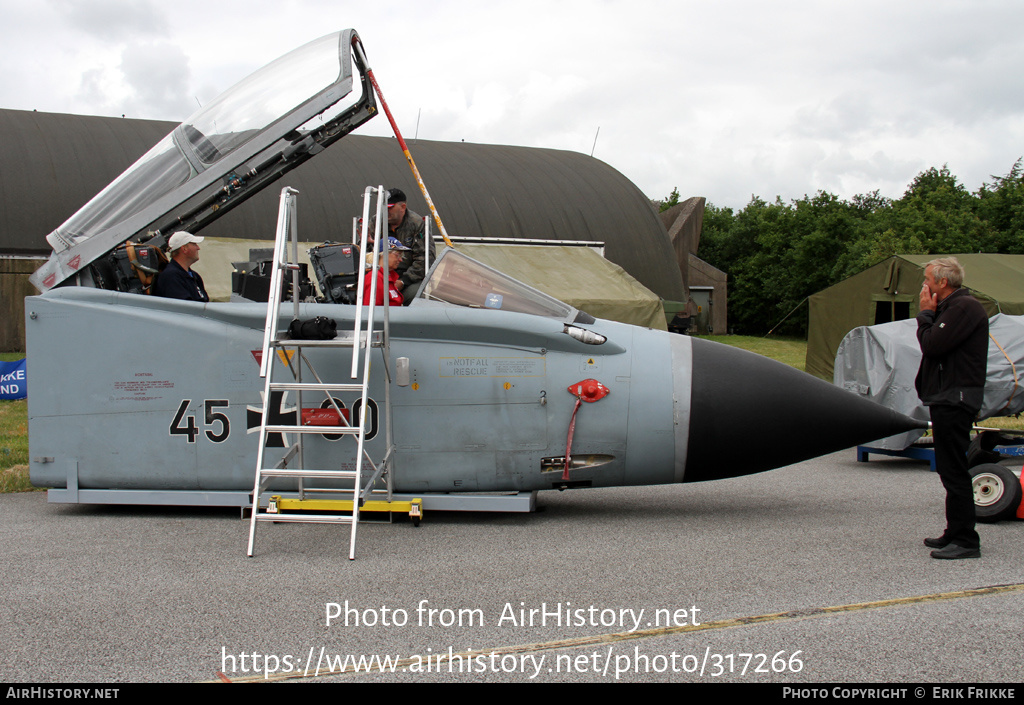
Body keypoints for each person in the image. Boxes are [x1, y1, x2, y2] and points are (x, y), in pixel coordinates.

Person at [915, 257, 988, 559]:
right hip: (946, 397)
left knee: (955, 468)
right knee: (948, 467)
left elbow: (932, 346)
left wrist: (924, 315)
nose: (924, 285)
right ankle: (954, 530)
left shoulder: (964, 307)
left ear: (942, 282)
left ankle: (966, 539)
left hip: (955, 399)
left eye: (927, 279)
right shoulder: (951, 308)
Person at [381, 188, 435, 302]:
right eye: (383, 206)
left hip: (409, 279)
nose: (386, 210)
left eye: (390, 207)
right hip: (381, 277)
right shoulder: (375, 222)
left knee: (417, 295)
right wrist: (367, 243)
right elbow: (366, 256)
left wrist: (403, 281)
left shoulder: (416, 224)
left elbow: (425, 260)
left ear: (403, 207)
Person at [154, 231, 209, 302]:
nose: (198, 248)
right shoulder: (170, 276)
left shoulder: (195, 276)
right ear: (184, 249)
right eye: (194, 244)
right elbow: (184, 308)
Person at [362, 237, 411, 307]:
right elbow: (371, 313)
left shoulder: (387, 277)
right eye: (398, 255)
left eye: (401, 256)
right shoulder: (375, 279)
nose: (400, 259)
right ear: (384, 254)